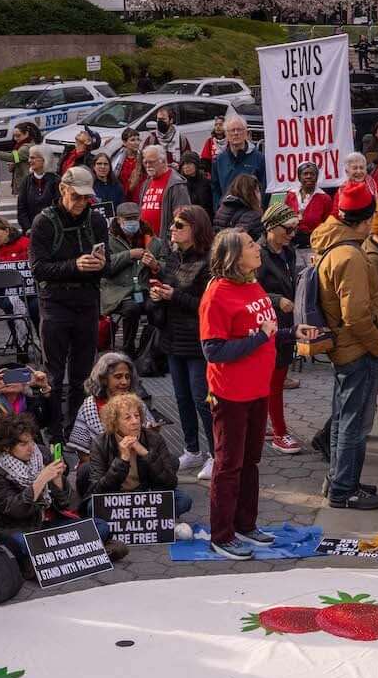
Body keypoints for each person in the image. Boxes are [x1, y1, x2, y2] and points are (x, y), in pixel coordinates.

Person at [199, 229, 280, 558]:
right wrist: (260, 338)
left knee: (251, 461)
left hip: (258, 389)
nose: (257, 247)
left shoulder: (252, 284)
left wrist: (290, 333)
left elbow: (265, 330)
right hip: (230, 393)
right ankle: (222, 534)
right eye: (249, 245)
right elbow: (213, 350)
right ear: (234, 256)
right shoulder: (217, 295)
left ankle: (246, 524)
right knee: (229, 464)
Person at [316, 182, 378, 511]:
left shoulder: (336, 245)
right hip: (357, 350)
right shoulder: (350, 255)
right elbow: (357, 316)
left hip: (346, 348)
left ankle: (339, 480)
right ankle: (344, 489)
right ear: (366, 220)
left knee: (343, 419)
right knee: (354, 424)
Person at [28, 165, 111, 440]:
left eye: (86, 198)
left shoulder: (96, 221)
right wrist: (74, 265)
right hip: (55, 302)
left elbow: (109, 265)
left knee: (83, 373)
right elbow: (38, 268)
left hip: (87, 300)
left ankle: (77, 427)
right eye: (76, 196)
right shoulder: (44, 222)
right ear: (63, 189)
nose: (81, 202)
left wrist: (101, 264)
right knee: (53, 373)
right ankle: (54, 431)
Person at [142, 203, 217, 478]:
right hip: (172, 338)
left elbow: (207, 305)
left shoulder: (209, 262)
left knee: (202, 399)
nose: (172, 229)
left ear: (196, 229)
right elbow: (171, 284)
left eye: (179, 225)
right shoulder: (174, 257)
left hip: (196, 341)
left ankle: (216, 454)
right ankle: (192, 449)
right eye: (173, 224)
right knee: (182, 398)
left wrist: (173, 295)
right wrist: (158, 291)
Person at [79, 391, 192, 526]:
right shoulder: (100, 442)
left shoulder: (154, 438)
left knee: (184, 500)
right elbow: (98, 490)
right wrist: (122, 460)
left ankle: (135, 522)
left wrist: (145, 453)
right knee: (92, 507)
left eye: (137, 416)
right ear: (115, 423)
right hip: (116, 497)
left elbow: (170, 483)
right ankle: (146, 520)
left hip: (145, 494)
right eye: (127, 418)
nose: (135, 421)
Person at [0, 412, 77, 551]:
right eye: (23, 444)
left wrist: (57, 479)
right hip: (16, 527)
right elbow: (16, 510)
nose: (31, 448)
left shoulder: (41, 453)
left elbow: (64, 503)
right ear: (6, 447)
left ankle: (54, 551)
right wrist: (41, 480)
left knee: (98, 527)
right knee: (25, 544)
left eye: (31, 441)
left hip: (48, 519)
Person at [255, 203, 303, 455]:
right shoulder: (259, 255)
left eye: (295, 229)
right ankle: (280, 433)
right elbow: (251, 290)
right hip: (267, 325)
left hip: (285, 323)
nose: (292, 234)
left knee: (275, 380)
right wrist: (277, 300)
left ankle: (266, 425)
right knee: (274, 382)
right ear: (271, 227)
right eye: (288, 229)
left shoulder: (288, 251)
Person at [212, 114, 264, 204]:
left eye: (239, 129)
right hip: (227, 210)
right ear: (226, 134)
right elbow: (216, 190)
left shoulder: (259, 158)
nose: (236, 133)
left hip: (251, 210)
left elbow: (264, 188)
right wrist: (219, 208)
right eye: (232, 130)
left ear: (246, 133)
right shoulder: (219, 160)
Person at [284, 161, 334, 245]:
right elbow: (285, 220)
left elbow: (329, 224)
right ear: (299, 177)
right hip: (293, 243)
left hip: (316, 243)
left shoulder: (325, 198)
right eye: (305, 174)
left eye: (312, 174)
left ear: (316, 177)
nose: (309, 176)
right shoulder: (290, 196)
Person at [14, 146, 60, 230]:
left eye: (33, 158)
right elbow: (21, 208)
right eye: (29, 158)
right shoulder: (26, 181)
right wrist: (28, 228)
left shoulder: (55, 181)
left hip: (52, 229)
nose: (29, 161)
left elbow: (59, 207)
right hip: (31, 230)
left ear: (44, 159)